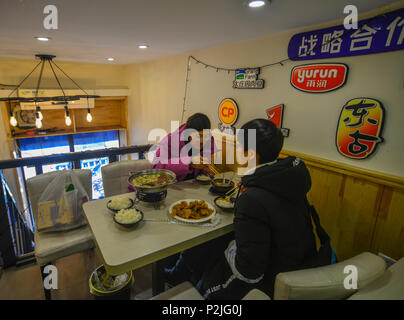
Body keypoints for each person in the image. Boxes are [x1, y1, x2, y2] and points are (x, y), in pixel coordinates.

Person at [165, 118, 324, 299]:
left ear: (251, 155)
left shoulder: (252, 198)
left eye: (239, 147)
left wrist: (228, 250)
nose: (236, 150)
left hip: (272, 279)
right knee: (211, 244)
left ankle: (191, 285)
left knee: (210, 262)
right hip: (300, 262)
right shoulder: (287, 177)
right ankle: (183, 275)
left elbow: (249, 271)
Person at [151, 113, 216, 181]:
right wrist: (189, 161)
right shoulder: (170, 140)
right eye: (198, 136)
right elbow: (157, 168)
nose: (202, 141)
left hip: (195, 184)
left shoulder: (210, 140)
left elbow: (209, 164)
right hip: (174, 185)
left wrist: (206, 168)